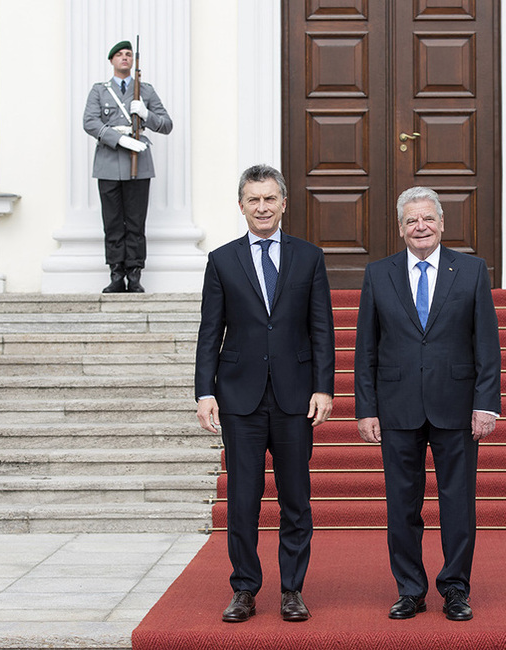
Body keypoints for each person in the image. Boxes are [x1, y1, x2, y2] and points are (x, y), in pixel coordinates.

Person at [194, 164, 335, 623]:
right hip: (239, 399)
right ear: (241, 206)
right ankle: (245, 590)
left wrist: (323, 387)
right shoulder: (221, 260)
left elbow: (322, 330)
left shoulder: (309, 257)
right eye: (253, 200)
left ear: (283, 203)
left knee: (296, 500)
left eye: (270, 198)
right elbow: (210, 331)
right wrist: (204, 392)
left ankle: (292, 590)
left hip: (296, 399)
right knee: (243, 501)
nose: (262, 207)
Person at [354, 187, 501, 622]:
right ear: (401, 229)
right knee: (402, 505)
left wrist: (486, 403)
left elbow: (487, 345)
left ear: (441, 224)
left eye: (428, 219)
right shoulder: (378, 274)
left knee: (458, 503)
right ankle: (410, 590)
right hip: (396, 407)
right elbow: (366, 348)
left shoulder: (472, 270)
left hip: (456, 406)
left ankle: (455, 588)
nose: (421, 227)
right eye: (412, 221)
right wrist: (366, 408)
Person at [83, 40, 173, 293]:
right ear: (111, 61)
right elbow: (89, 121)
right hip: (109, 162)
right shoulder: (99, 91)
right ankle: (116, 273)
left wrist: (146, 114)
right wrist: (118, 138)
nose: (125, 58)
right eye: (119, 55)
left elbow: (166, 124)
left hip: (139, 164)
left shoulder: (145, 90)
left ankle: (134, 274)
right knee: (112, 222)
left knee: (135, 222)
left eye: (128, 54)